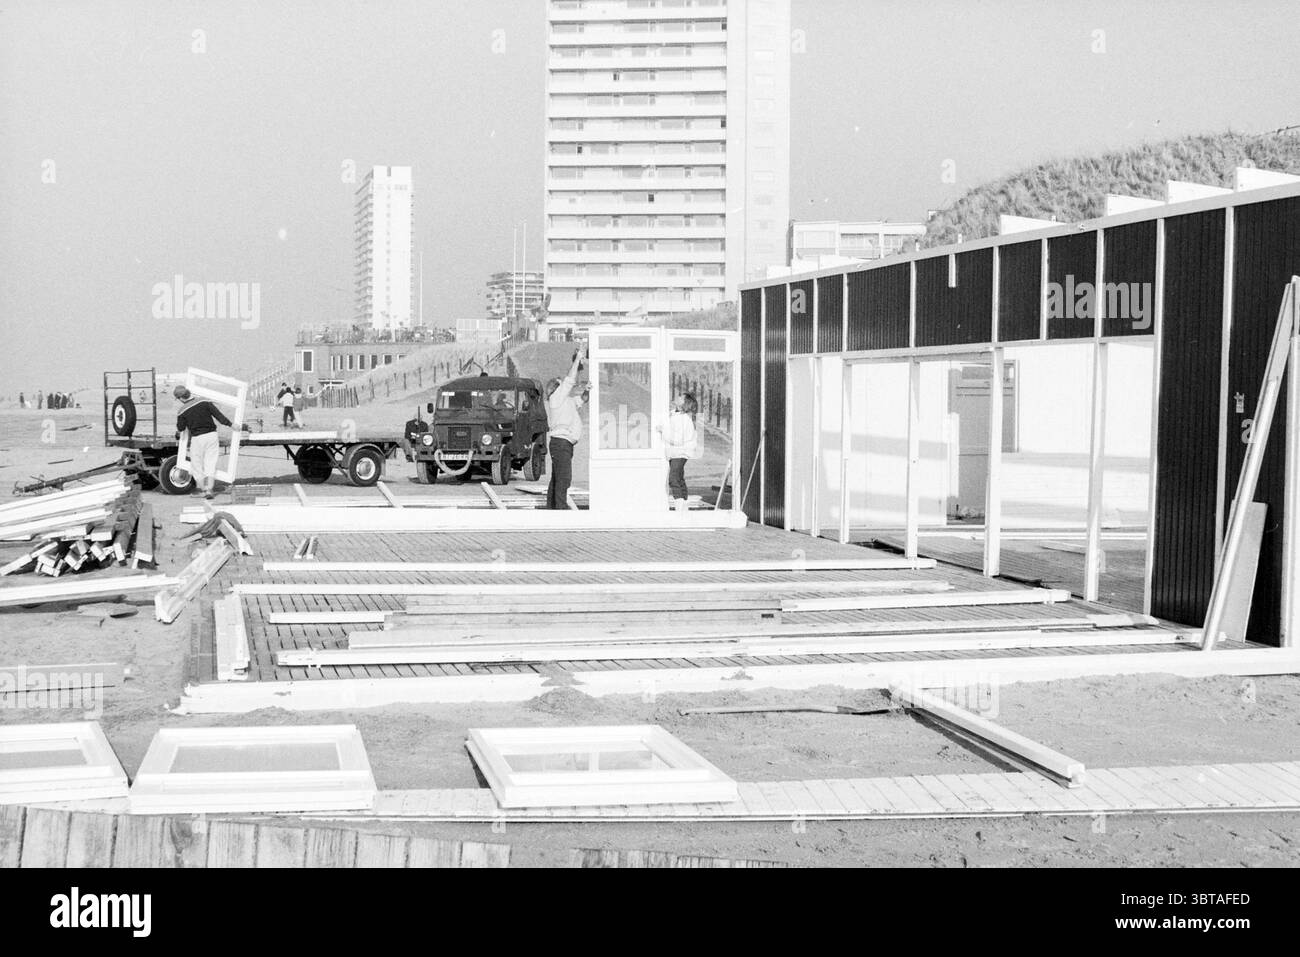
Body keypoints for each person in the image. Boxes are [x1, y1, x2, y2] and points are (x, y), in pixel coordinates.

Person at [545, 347, 589, 509]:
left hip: (564, 444)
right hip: (561, 443)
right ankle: (560, 509)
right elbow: (569, 381)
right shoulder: (556, 398)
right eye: (560, 384)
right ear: (555, 388)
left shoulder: (567, 401)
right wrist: (577, 360)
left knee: (557, 478)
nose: (564, 386)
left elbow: (583, 399)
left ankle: (552, 508)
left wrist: (588, 390)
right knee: (564, 478)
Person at [174, 384, 233, 500]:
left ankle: (203, 490)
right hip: (212, 435)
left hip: (197, 438)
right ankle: (210, 489)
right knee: (210, 463)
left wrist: (178, 430)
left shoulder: (182, 411)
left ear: (181, 398)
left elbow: (181, 428)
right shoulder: (204, 401)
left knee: (196, 465)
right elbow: (219, 416)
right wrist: (231, 425)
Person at [658, 392, 699, 508]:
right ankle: (684, 502)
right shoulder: (675, 416)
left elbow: (678, 439)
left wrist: (663, 431)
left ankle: (679, 504)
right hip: (677, 452)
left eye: (681, 397)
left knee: (673, 478)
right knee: (679, 478)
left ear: (684, 404)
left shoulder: (683, 419)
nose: (678, 397)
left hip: (680, 452)